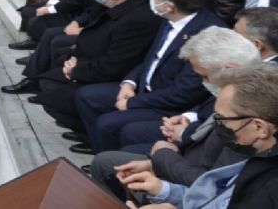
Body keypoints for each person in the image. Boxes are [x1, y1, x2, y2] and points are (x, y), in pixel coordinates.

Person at [90, 28, 263, 200]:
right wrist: (157, 161)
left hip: (191, 185)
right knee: (108, 160)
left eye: (205, 76)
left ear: (229, 68)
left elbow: (211, 183)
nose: (203, 83)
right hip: (185, 160)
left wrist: (162, 157)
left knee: (108, 162)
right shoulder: (234, 91)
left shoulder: (245, 115)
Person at [73, 0, 224, 154]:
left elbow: (184, 92)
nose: (150, 1)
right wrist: (129, 83)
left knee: (108, 124)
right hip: (144, 88)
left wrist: (133, 103)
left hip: (168, 104)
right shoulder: (170, 19)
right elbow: (151, 58)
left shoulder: (207, 35)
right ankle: (99, 147)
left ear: (169, 6)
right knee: (87, 96)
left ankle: (112, 164)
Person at [4, 0, 161, 135]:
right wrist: (74, 57)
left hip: (110, 76)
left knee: (53, 94)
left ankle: (91, 134)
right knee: (50, 74)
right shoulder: (120, 4)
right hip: (90, 60)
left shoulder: (136, 19)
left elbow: (115, 64)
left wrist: (76, 70)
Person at [118, 64, 278, 209]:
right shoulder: (259, 158)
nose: (216, 125)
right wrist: (163, 190)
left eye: (222, 119)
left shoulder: (268, 185)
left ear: (259, 127)